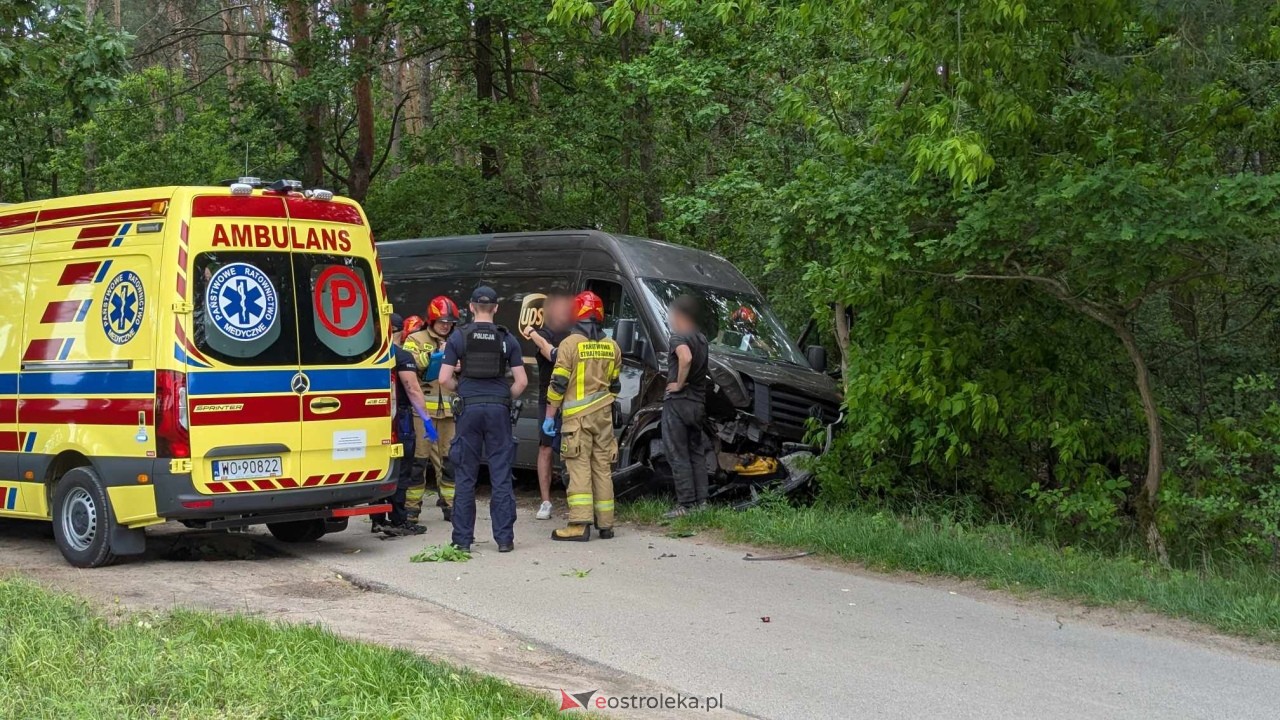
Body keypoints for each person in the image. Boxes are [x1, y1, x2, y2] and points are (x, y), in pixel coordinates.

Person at [438, 286, 528, 553]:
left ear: (471, 307)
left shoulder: (459, 337)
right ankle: (504, 540)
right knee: (500, 475)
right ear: (496, 308)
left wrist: (462, 391)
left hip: (469, 409)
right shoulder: (507, 338)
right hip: (499, 410)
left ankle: (462, 541)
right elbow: (521, 381)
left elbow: (443, 378)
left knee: (466, 475)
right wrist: (502, 397)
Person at [544, 291, 622, 542]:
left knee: (578, 468)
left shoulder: (569, 344)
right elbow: (615, 386)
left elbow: (558, 384)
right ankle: (606, 524)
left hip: (577, 419)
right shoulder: (612, 346)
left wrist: (549, 416)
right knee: (602, 468)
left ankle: (579, 524)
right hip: (604, 419)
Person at [371, 313, 432, 537]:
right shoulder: (402, 356)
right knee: (402, 468)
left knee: (379, 465)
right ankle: (398, 519)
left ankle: (377, 519)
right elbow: (413, 390)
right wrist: (426, 420)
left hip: (375, 417)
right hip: (401, 419)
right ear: (399, 331)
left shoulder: (369, 355)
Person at [404, 296, 460, 523]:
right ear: (431, 320)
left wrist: (459, 364)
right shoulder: (416, 338)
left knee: (451, 461)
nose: (446, 325)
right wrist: (437, 357)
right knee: (418, 461)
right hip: (422, 413)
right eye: (441, 321)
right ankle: (411, 510)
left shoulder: (458, 339)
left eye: (449, 322)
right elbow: (409, 362)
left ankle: (451, 506)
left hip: (449, 412)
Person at [524, 292, 573, 520]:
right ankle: (545, 502)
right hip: (548, 399)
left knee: (573, 451)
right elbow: (549, 353)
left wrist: (531, 333)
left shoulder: (577, 335)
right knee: (545, 448)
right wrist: (534, 333)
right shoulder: (545, 333)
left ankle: (575, 498)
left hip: (573, 399)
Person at [661, 295, 710, 519]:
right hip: (698, 403)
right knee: (696, 453)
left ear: (680, 315)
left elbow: (685, 358)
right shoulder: (701, 338)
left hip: (678, 403)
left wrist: (679, 384)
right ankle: (702, 503)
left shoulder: (678, 336)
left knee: (678, 453)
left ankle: (685, 505)